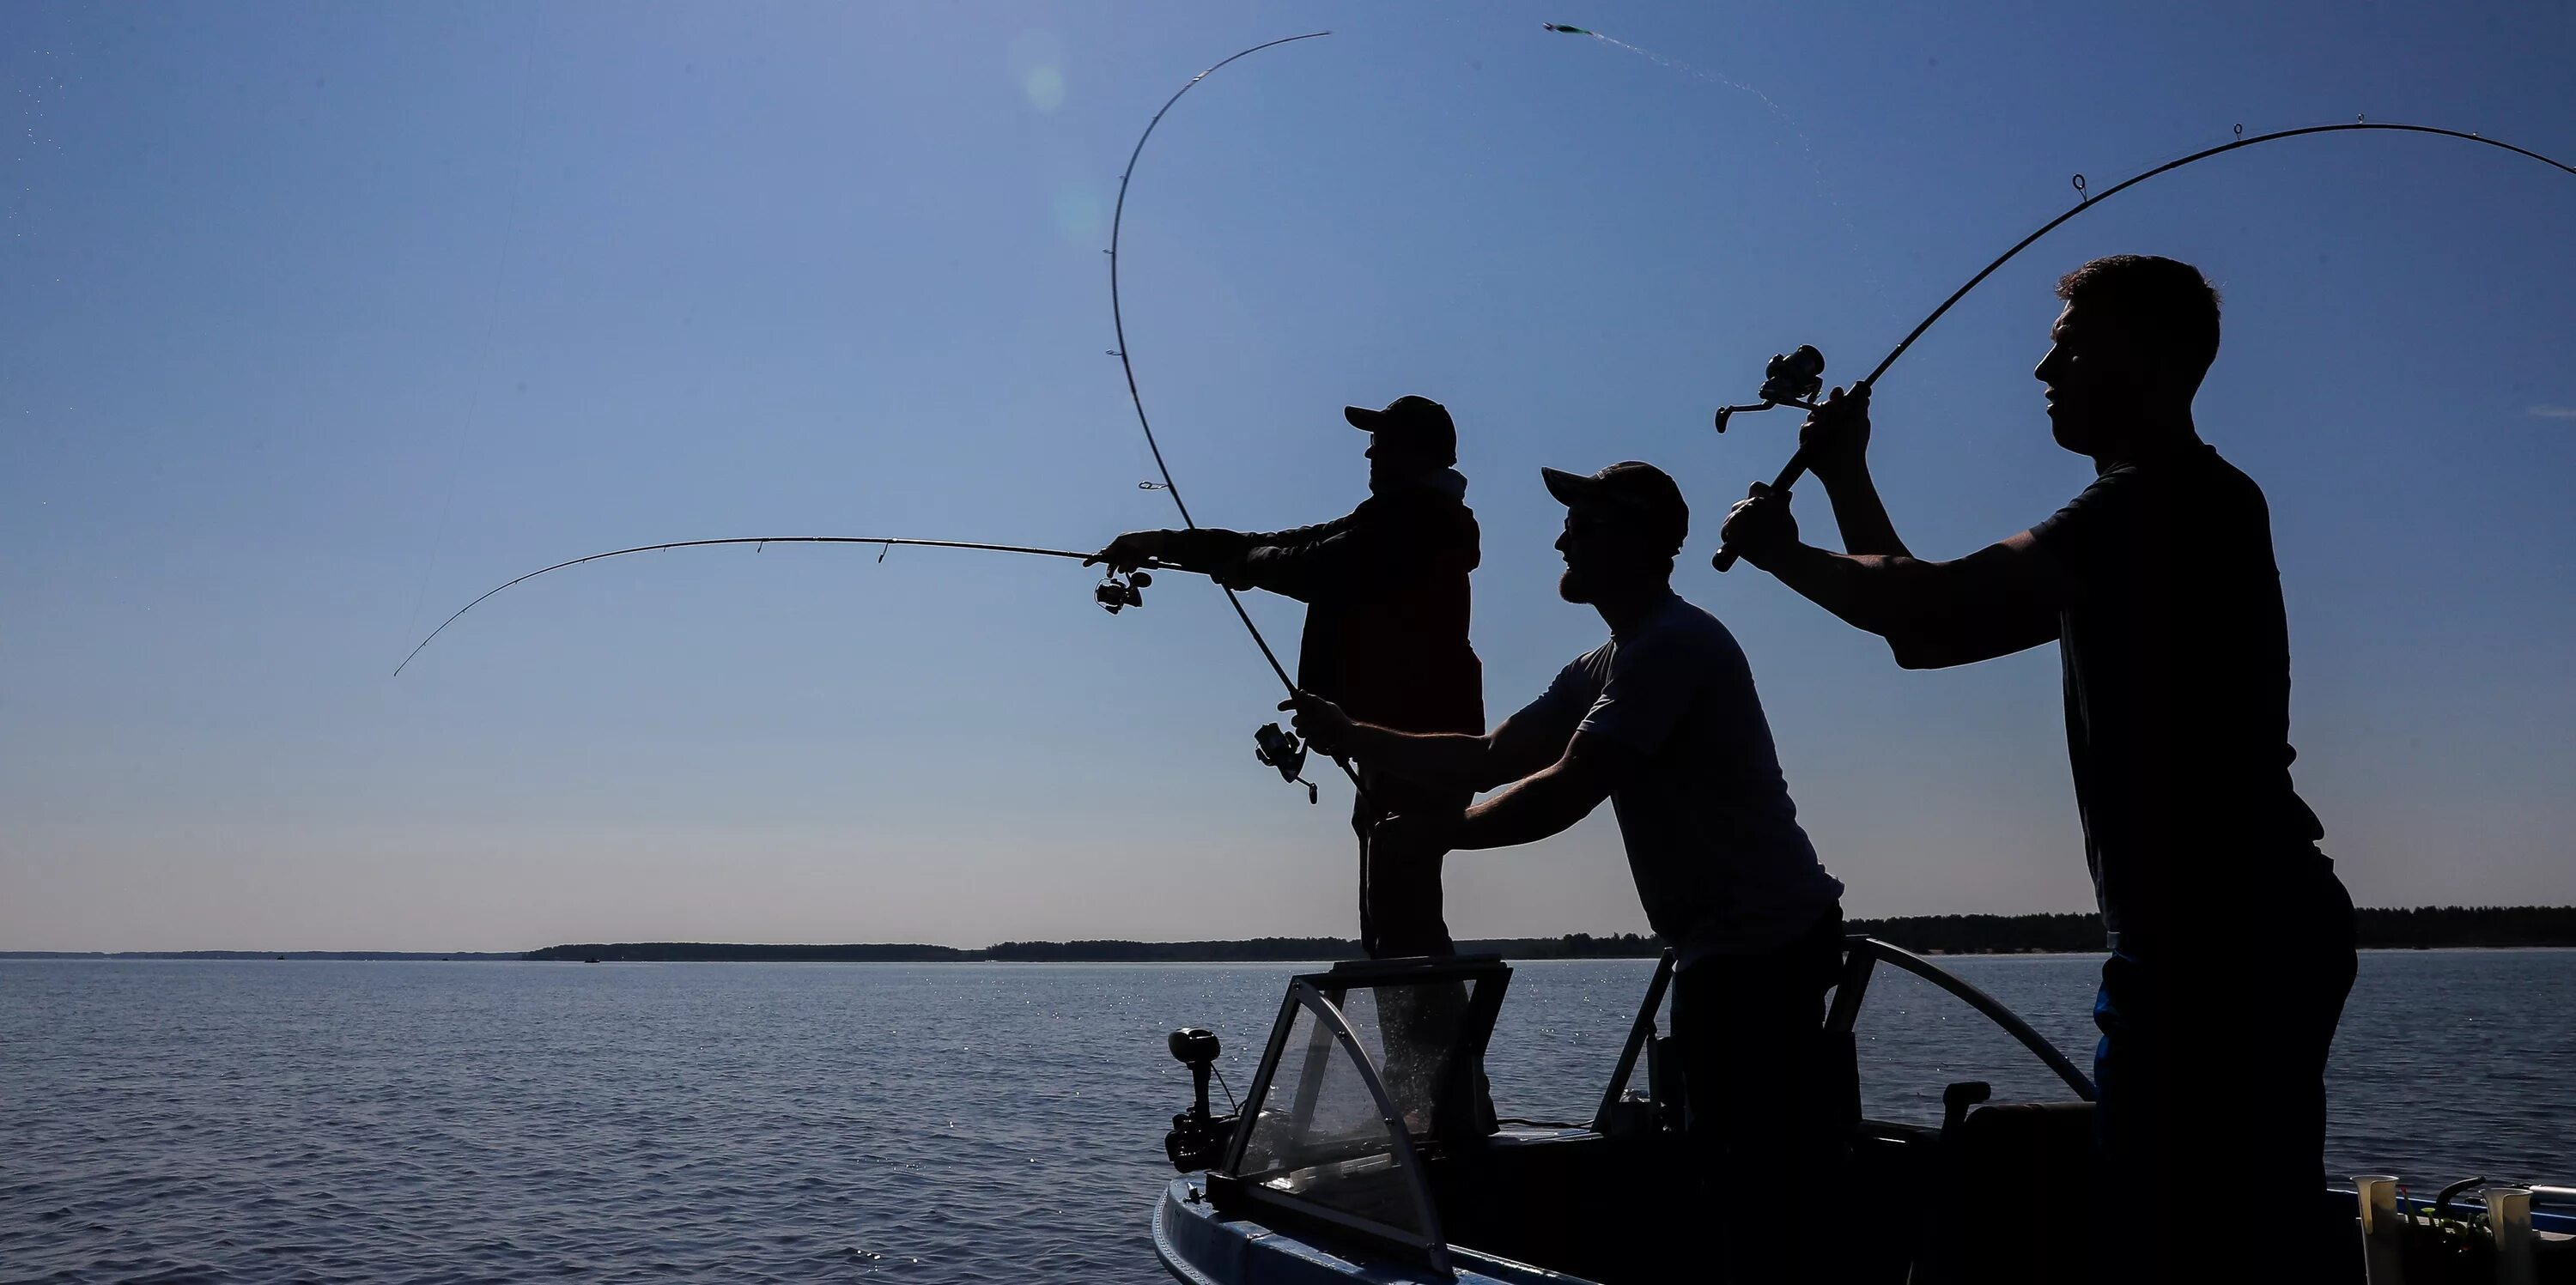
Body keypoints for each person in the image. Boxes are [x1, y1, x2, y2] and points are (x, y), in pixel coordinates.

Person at [1718, 254, 2358, 1282]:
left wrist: (1777, 551)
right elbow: (1926, 630)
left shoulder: (2149, 505)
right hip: (2239, 933)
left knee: (2182, 1242)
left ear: (2145, 358)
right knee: (2229, 1232)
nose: (2040, 367)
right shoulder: (2178, 506)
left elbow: (1925, 609)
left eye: (2068, 342)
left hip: (2213, 945)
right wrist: (1844, 477)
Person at [1288, 461, 1850, 1284]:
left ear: (1637, 540)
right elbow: (1491, 756)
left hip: (1765, 957)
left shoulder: (1673, 645)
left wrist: (1441, 839)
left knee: (1757, 1192)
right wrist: (1354, 733)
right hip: (1721, 956)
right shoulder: (1605, 661)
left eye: (1581, 527)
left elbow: (1568, 789)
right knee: (1729, 1179)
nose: (1560, 538)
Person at [1091, 395, 1484, 961]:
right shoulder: (1393, 518)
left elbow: (1316, 565)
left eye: (1385, 443)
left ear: (1421, 455)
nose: (1370, 452)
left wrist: (1247, 568)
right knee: (1394, 915)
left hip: (1417, 746)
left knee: (1403, 916)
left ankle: (1432, 1049)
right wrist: (1162, 545)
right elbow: (1281, 544)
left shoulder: (1418, 524)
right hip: (1394, 744)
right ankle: (1423, 1047)